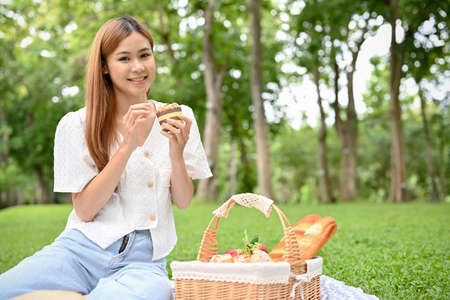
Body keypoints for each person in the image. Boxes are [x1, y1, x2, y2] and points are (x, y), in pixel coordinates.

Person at [0, 15, 212, 300]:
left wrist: (176, 150)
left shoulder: (180, 117)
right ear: (104, 67)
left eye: (145, 55)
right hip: (78, 252)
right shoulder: (78, 124)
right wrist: (126, 147)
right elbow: (85, 210)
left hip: (142, 263)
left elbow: (184, 201)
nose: (138, 67)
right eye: (124, 58)